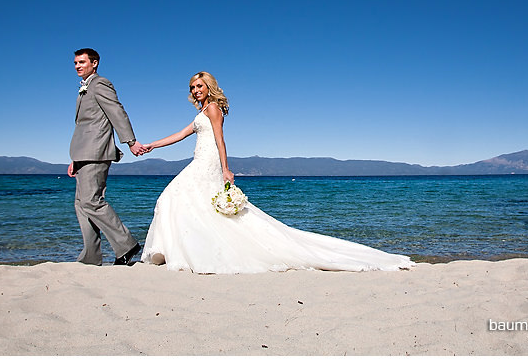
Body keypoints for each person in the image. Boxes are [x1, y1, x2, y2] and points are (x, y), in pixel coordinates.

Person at [140, 71, 414, 274]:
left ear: (209, 87)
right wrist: (152, 145)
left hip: (209, 161)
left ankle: (182, 252)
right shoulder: (201, 111)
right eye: (192, 87)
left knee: (174, 196)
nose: (195, 90)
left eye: (199, 86)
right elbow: (181, 134)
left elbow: (220, 139)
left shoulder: (213, 108)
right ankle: (182, 250)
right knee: (187, 202)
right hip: (199, 159)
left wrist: (225, 168)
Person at [68, 48, 145, 266]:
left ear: (95, 63)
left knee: (92, 201)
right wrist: (75, 159)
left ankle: (126, 244)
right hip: (83, 153)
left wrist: (130, 141)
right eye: (75, 63)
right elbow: (83, 126)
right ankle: (91, 256)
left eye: (82, 62)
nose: (77, 66)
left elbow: (116, 111)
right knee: (81, 204)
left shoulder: (100, 83)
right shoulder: (84, 88)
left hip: (97, 151)